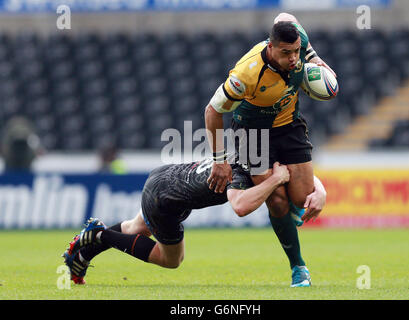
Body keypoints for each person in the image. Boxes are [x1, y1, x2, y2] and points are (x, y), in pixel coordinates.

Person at [204, 13, 335, 286]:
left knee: (300, 200)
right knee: (276, 199)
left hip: (289, 125)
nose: (293, 59)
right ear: (271, 47)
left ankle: (312, 185)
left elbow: (284, 16)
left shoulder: (299, 44)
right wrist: (219, 160)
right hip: (253, 134)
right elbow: (212, 111)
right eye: (286, 53)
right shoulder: (246, 73)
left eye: (297, 51)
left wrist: (313, 57)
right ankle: (298, 267)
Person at [63, 156, 326, 287]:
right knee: (171, 259)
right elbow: (240, 206)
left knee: (135, 228)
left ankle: (82, 256)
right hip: (166, 202)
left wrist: (320, 189)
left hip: (165, 178)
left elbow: (298, 168)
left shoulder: (254, 155)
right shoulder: (242, 175)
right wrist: (277, 180)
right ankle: (100, 234)